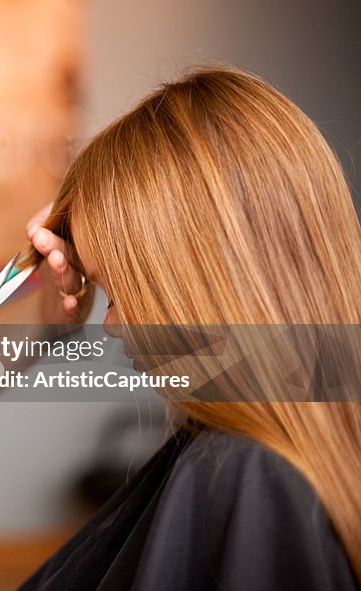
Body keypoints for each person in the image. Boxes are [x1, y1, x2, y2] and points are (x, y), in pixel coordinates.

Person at [20, 67, 361, 589]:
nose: (109, 327)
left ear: (202, 280)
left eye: (119, 292)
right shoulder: (264, 463)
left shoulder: (250, 477)